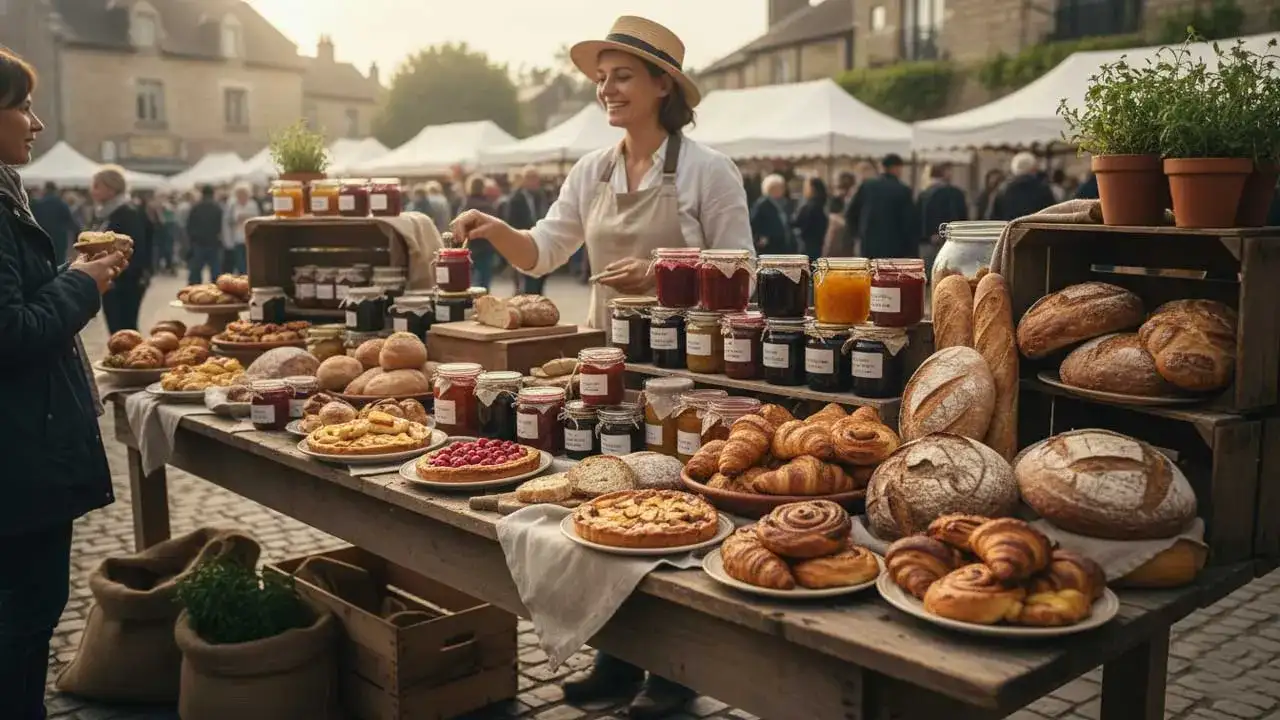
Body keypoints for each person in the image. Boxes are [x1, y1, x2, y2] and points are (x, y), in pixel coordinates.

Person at [451, 16, 752, 715]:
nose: (606, 89)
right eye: (601, 78)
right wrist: (495, 230)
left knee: (679, 513)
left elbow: (742, 270)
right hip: (610, 367)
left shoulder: (709, 170)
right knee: (610, 506)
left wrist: (665, 271)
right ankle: (617, 658)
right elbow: (543, 252)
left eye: (622, 77)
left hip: (688, 371)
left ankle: (675, 675)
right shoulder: (594, 169)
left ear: (662, 86)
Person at [0, 48, 127, 720]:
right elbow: (10, 333)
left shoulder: (8, 192)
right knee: (24, 618)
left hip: (22, 445)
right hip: (17, 454)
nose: (37, 122)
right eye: (22, 106)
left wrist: (70, 272)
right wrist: (82, 284)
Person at [90, 165, 151, 333]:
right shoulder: (104, 213)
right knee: (116, 328)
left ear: (111, 188)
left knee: (124, 329)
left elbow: (136, 249)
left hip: (125, 282)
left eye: (97, 186)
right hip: (111, 279)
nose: (93, 191)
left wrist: (120, 277)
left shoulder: (127, 213)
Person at [844, 153, 917, 259]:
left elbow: (850, 213)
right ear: (897, 168)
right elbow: (909, 223)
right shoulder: (903, 190)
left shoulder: (866, 186)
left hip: (868, 245)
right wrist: (912, 250)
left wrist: (858, 234)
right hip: (894, 247)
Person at [916, 163, 968, 280]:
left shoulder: (924, 194)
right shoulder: (955, 192)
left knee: (930, 275)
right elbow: (961, 217)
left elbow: (919, 219)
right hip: (953, 240)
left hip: (928, 241)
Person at [506, 166, 550, 295]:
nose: (534, 181)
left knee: (540, 278)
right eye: (530, 178)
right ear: (524, 180)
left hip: (541, 241)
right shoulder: (515, 198)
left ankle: (537, 298)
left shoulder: (542, 196)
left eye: (536, 178)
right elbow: (510, 222)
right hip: (523, 241)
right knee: (526, 280)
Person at [459, 175, 500, 290]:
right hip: (486, 246)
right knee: (484, 280)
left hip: (469, 246)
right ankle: (483, 299)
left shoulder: (465, 206)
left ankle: (470, 299)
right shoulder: (489, 206)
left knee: (468, 279)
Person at [991, 152, 1057, 221]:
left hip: (1009, 226)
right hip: (1034, 227)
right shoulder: (1042, 189)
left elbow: (994, 217)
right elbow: (1052, 214)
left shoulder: (1002, 190)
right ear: (1033, 168)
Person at [32, 181, 77, 264]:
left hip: (42, 239)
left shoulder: (37, 205)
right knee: (59, 263)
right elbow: (71, 223)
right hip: (59, 240)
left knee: (43, 263)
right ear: (55, 190)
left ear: (45, 190)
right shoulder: (62, 204)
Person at [186, 185, 223, 284]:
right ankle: (216, 288)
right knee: (215, 270)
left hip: (198, 242)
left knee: (196, 271)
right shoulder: (217, 208)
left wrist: (192, 239)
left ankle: (195, 288)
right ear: (212, 194)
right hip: (213, 241)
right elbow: (221, 225)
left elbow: (189, 225)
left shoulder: (196, 208)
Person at [222, 182, 261, 275]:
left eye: (244, 194)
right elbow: (228, 221)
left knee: (251, 262)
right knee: (240, 264)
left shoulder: (253, 204)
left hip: (251, 238)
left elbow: (257, 219)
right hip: (237, 238)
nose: (241, 196)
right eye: (239, 194)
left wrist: (246, 217)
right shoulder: (232, 205)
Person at [791, 176, 829, 262]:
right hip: (819, 244)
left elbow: (799, 223)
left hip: (808, 245)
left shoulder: (810, 207)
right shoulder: (823, 204)